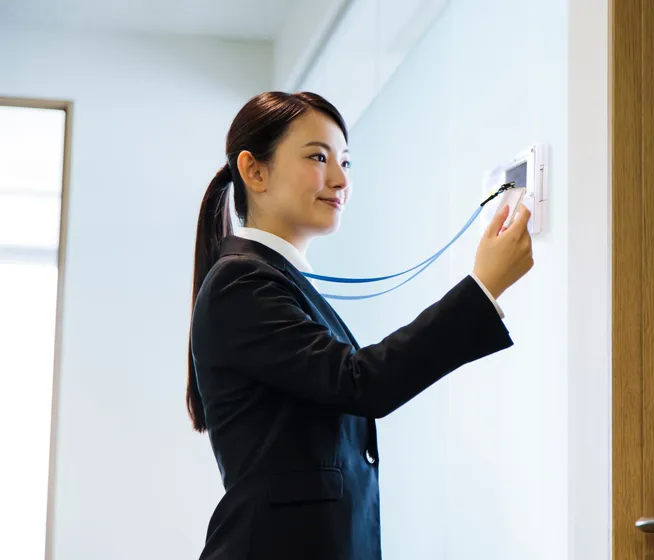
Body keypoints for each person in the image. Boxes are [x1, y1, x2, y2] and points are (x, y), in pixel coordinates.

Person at [188, 91, 534, 560]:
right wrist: (483, 288)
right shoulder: (241, 283)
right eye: (318, 157)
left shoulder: (273, 282)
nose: (340, 180)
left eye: (346, 162)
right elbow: (360, 382)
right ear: (255, 171)